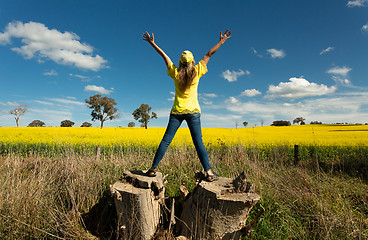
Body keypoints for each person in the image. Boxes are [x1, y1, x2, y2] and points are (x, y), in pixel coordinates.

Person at [142, 30, 232, 182]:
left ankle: (153, 169)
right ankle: (209, 172)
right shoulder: (197, 71)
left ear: (180, 62)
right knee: (198, 143)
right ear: (192, 62)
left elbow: (164, 56)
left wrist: (152, 43)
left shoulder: (175, 72)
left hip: (177, 111)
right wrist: (221, 42)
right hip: (193, 112)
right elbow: (209, 54)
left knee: (166, 141)